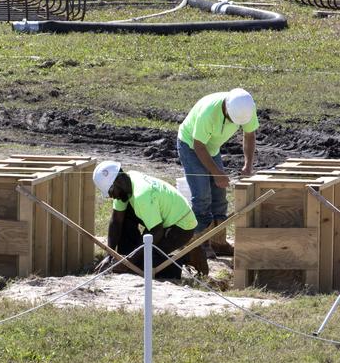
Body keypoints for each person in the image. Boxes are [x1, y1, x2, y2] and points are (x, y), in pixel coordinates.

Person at [92, 161, 208, 280]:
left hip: (180, 226)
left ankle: (189, 256)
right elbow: (116, 221)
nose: (111, 197)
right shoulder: (127, 181)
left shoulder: (142, 195)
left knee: (145, 263)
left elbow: (157, 232)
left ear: (117, 182)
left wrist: (130, 261)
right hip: (161, 221)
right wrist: (110, 255)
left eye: (110, 192)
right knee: (124, 216)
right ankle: (129, 255)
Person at [176, 88, 257, 256]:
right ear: (226, 108)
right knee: (202, 196)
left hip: (211, 148)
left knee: (219, 196)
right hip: (190, 146)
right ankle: (199, 245)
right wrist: (217, 173)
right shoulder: (208, 113)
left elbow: (249, 135)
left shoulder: (246, 108)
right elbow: (199, 146)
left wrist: (248, 165)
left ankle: (218, 242)